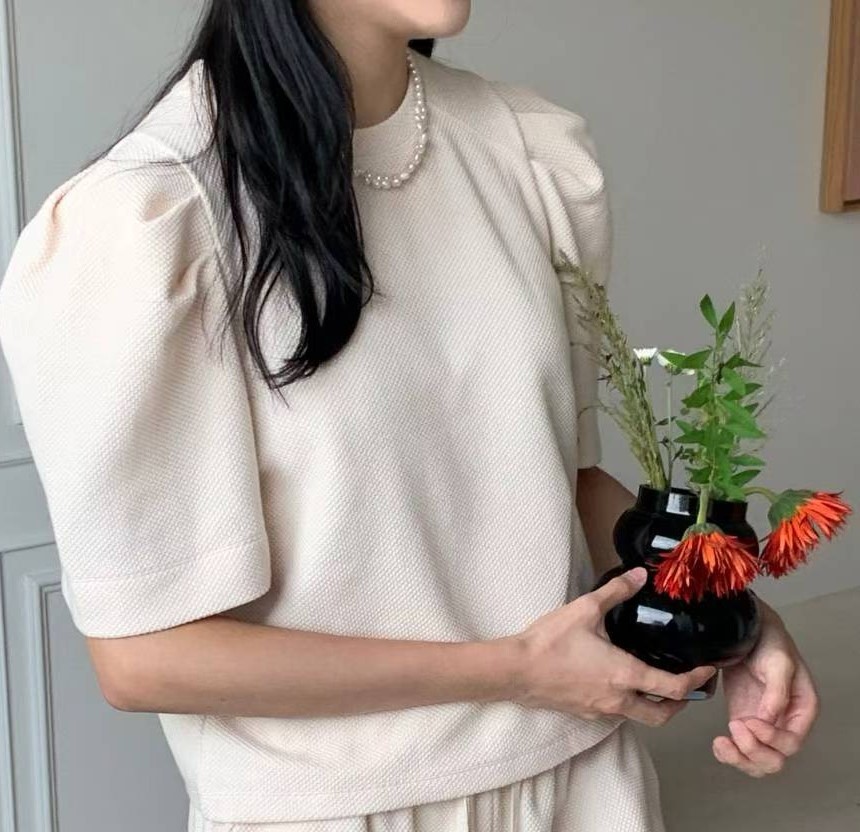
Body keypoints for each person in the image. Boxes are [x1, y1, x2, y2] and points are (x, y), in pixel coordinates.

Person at [0, 2, 819, 831]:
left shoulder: (526, 150)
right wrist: (512, 671)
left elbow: (559, 483)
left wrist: (732, 619)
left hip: (585, 783)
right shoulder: (152, 219)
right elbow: (143, 658)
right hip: (335, 810)